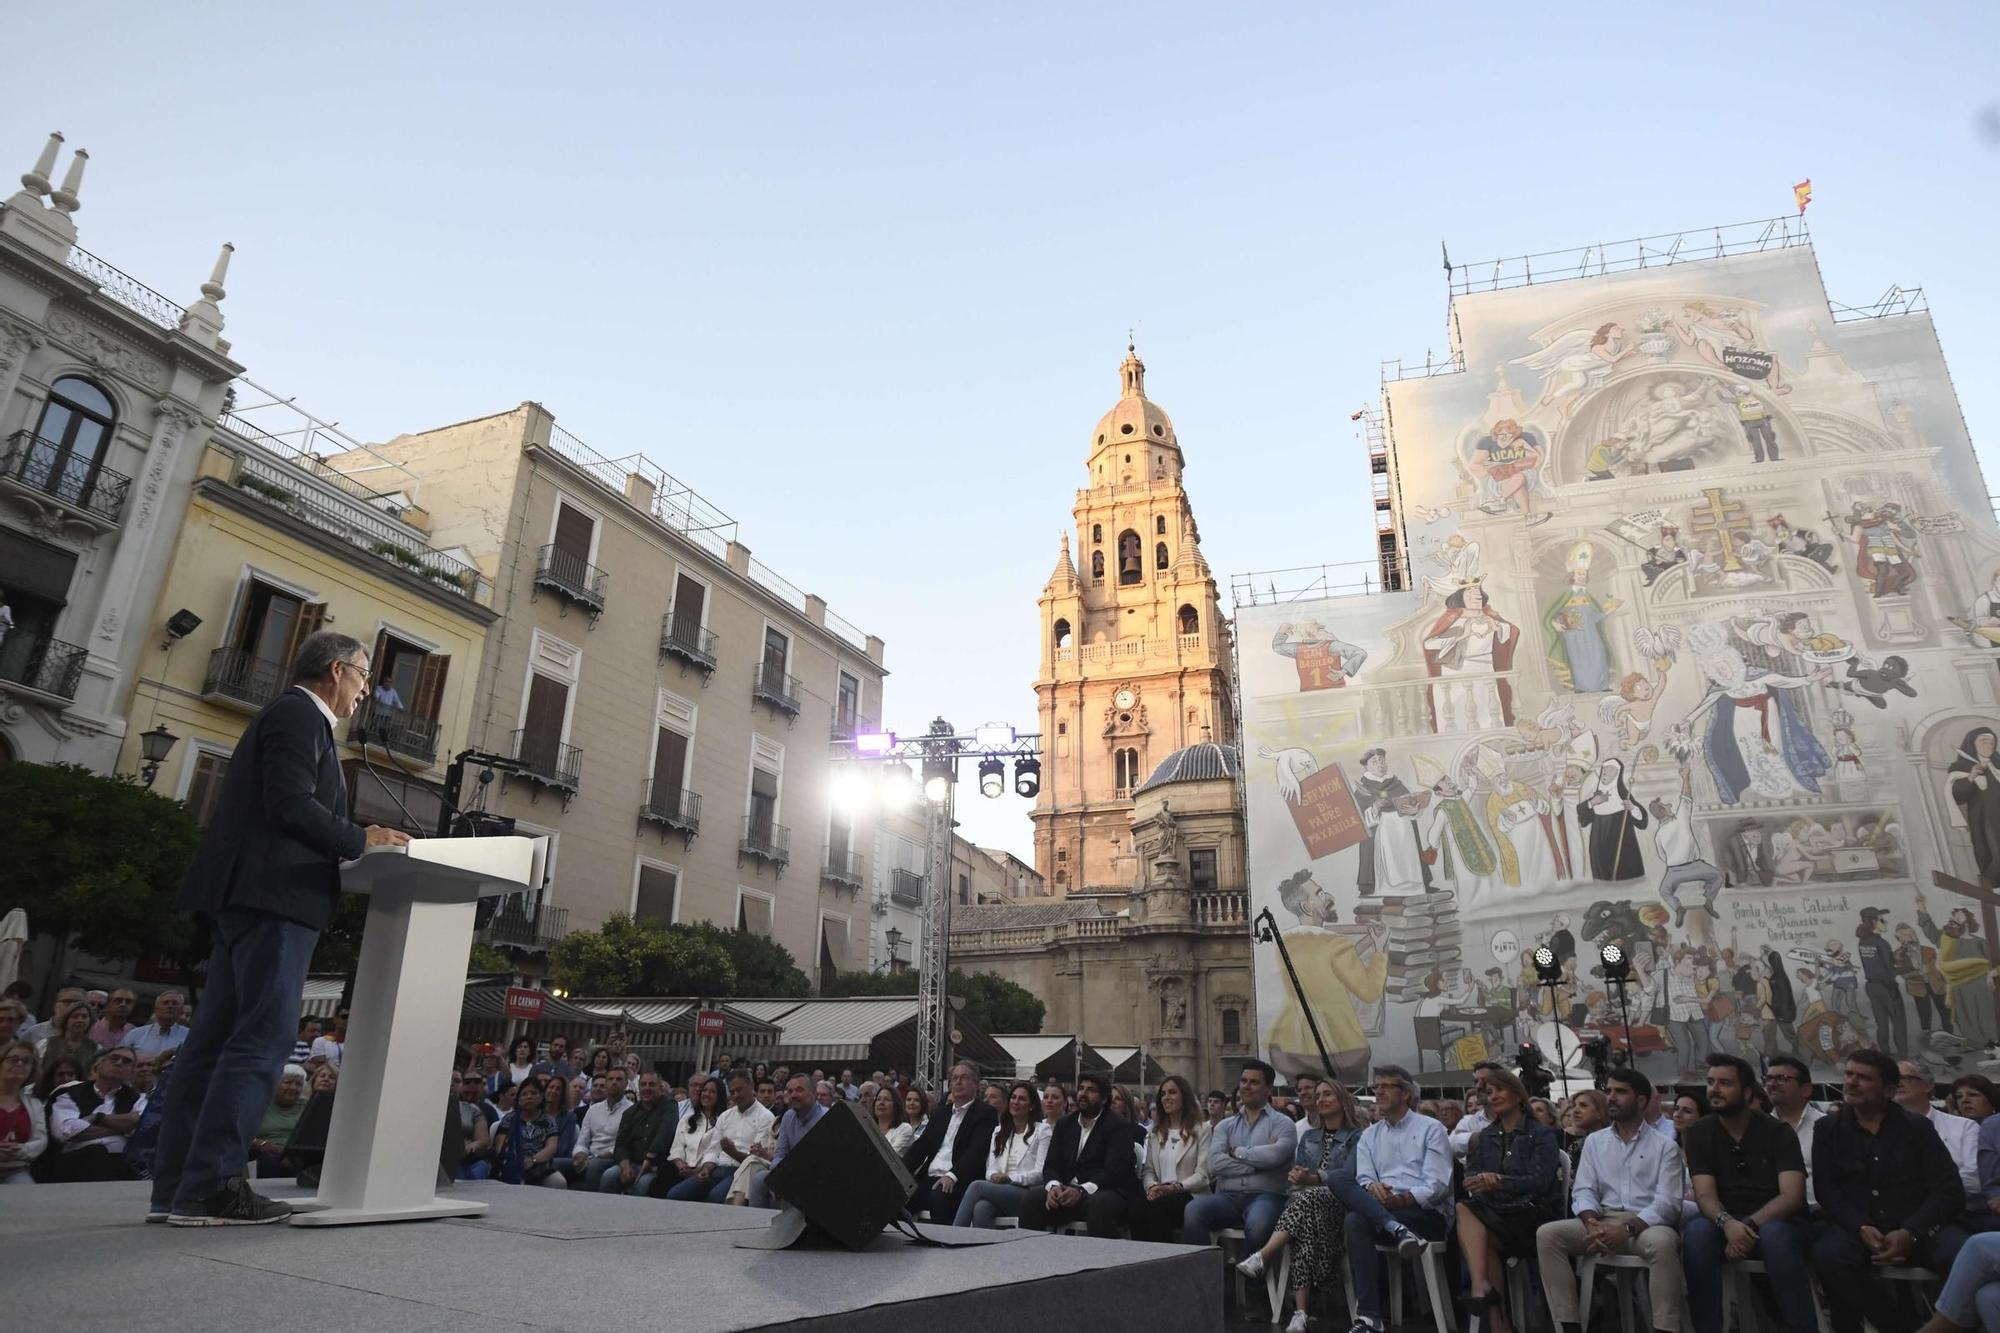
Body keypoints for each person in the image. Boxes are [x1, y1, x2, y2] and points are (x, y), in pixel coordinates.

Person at [152, 631, 408, 1226]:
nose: (367, 690)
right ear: (337, 670)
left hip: (249, 896)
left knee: (212, 1044)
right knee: (260, 1043)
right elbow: (289, 803)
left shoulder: (291, 717)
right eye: (364, 676)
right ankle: (211, 1186)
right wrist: (357, 837)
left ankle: (175, 1189)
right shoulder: (299, 716)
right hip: (275, 898)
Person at [1812, 1050, 1967, 1333]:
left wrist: (1911, 1231)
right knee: (1829, 1254)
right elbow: (1827, 1189)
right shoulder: (1828, 1128)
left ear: (1889, 1090)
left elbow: (1948, 1189)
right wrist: (1859, 1226)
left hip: (1918, 1225)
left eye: (1863, 1078)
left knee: (1961, 1252)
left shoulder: (1917, 1128)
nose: (1851, 1082)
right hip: (1859, 1227)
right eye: (1849, 1074)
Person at [1537, 1068, 1687, 1333]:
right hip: (1601, 1220)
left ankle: (1665, 1327)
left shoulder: (1665, 1146)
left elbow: (1667, 1203)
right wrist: (1592, 1222)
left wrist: (1627, 1230)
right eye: (1608, 1091)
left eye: (1620, 1092)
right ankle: (1568, 1325)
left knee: (1663, 1243)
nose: (1611, 1098)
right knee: (1549, 1235)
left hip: (1646, 1226)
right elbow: (1583, 1191)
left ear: (1641, 1101)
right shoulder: (1594, 1142)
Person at [1683, 1053, 1815, 1333]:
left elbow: (1792, 1196)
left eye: (1725, 1083)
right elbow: (1705, 1195)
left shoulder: (1777, 1131)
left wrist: (1747, 1227)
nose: (1714, 1090)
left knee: (1776, 1236)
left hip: (1777, 1220)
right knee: (1696, 1234)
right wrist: (1728, 1224)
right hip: (1725, 1221)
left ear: (1746, 1092)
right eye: (1710, 1082)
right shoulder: (1699, 1133)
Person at [1236, 1078, 1362, 1333]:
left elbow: (1349, 1177)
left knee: (1308, 1199)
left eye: (1328, 1094)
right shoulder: (1309, 1136)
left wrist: (1313, 1179)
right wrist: (1297, 1176)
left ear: (1342, 1100)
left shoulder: (1358, 1137)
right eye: (1318, 1096)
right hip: (1307, 1205)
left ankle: (1264, 1255)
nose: (1321, 1100)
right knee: (1305, 1221)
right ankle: (1301, 1312)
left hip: (1342, 1204)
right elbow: (1299, 1170)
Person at [1341, 1065, 1453, 1332]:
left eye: (1385, 1086)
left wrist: (1402, 1200)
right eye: (1375, 1086)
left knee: (1357, 1219)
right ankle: (1370, 1317)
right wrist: (1373, 1189)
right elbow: (1364, 1177)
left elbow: (1438, 1184)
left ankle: (1399, 1228)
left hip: (1423, 1215)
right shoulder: (1369, 1134)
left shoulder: (1431, 1128)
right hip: (1384, 1211)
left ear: (1405, 1093)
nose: (1378, 1091)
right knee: (1343, 1192)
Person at [1457, 1066, 1561, 1333]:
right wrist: (1477, 1181)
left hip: (1531, 1215)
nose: (1493, 1096)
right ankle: (1489, 1302)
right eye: (1489, 1092)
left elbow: (1540, 1181)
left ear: (1517, 1094)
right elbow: (1471, 1172)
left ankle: (1489, 1304)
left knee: (1481, 1230)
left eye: (1499, 1090)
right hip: (1497, 1212)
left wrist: (1501, 1181)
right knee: (1467, 1213)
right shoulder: (1487, 1136)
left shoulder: (1541, 1134)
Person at [1182, 1060, 1298, 1253]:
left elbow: (1275, 1157)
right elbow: (1214, 1164)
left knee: (1258, 1224)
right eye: (1243, 1081)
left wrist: (1236, 1152)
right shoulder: (1225, 1126)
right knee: (1194, 1209)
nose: (1246, 1086)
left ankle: (1254, 1280)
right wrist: (1258, 1164)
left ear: (1268, 1087)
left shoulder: (1283, 1124)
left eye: (1254, 1082)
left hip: (1267, 1196)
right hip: (1228, 1197)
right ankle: (1202, 1277)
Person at [1019, 1070, 1142, 1238]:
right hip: (1067, 1191)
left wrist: (1081, 1190)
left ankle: (1103, 1260)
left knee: (1099, 1204)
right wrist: (1054, 1186)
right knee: (1032, 1199)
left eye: (1091, 1090)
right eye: (1081, 1088)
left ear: (1104, 1098)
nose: (1083, 1094)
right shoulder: (1065, 1124)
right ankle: (1029, 1257)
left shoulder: (1118, 1126)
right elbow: (1052, 1164)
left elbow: (1115, 1171)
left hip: (1106, 1190)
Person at [902, 1061, 999, 1221]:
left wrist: (952, 1175)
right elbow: (921, 1147)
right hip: (929, 1177)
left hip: (958, 1179)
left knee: (940, 1195)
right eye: (954, 1078)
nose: (958, 1082)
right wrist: (899, 1172)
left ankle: (941, 1243)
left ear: (975, 1084)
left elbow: (977, 1151)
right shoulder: (940, 1114)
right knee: (897, 1197)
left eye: (964, 1078)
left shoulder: (985, 1113)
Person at [953, 1081, 1051, 1228]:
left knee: (976, 1186)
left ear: (1032, 1106)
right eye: (1013, 1098)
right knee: (981, 1208)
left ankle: (954, 1235)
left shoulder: (1042, 1131)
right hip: (1000, 1190)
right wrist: (993, 1176)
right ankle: (982, 1250)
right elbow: (990, 1168)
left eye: (1022, 1099)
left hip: (1028, 1193)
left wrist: (1009, 1178)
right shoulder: (999, 1131)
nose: (1016, 1102)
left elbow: (1041, 1173)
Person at [1133, 1074, 1212, 1242]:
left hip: (1190, 1194)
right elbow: (1148, 1170)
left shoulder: (1203, 1130)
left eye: (1172, 1093)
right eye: (1163, 1094)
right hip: (1160, 1193)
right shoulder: (1155, 1133)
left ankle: (1164, 1262)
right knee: (1136, 1207)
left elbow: (1203, 1175)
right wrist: (1153, 1187)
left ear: (1185, 1096)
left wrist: (1174, 1188)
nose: (1166, 1098)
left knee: (1159, 1208)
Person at [46, 1046, 143, 1181]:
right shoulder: (70, 1094)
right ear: (99, 1065)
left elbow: (141, 1127)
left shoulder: (137, 1098)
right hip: (77, 1161)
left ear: (131, 1072)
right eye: (114, 1058)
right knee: (97, 1153)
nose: (119, 1063)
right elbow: (65, 1131)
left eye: (126, 1061)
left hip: (123, 1162)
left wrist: (96, 1118)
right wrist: (123, 1128)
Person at [1898, 1059, 1984, 1208]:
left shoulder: (1964, 1127)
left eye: (1906, 1078)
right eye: (1892, 1079)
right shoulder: (1876, 1129)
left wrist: (1924, 1189)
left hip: (1956, 1213)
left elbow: (1975, 1178)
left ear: (1928, 1085)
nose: (1898, 1084)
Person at [756, 1073, 828, 1208]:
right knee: (758, 1180)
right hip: (790, 1171)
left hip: (817, 1177)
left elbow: (822, 1165)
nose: (793, 1095)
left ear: (813, 1093)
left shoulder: (826, 1119)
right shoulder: (788, 1117)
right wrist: (778, 1175)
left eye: (799, 1090)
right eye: (790, 1091)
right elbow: (779, 1155)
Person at [598, 1070, 674, 1196]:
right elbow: (621, 1145)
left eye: (651, 1084)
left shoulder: (669, 1107)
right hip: (632, 1164)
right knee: (608, 1177)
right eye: (643, 1084)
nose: (647, 1088)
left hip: (656, 1167)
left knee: (642, 1185)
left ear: (660, 1088)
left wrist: (650, 1157)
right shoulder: (630, 1113)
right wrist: (625, 1167)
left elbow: (666, 1132)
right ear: (638, 1087)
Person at [1763, 1055, 1825, 1207]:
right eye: (1768, 1078)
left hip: (1821, 1213)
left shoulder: (1825, 1126)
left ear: (1805, 1089)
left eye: (1782, 1078)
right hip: (1772, 1214)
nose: (1772, 1084)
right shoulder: (1759, 1129)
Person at [707, 1069, 772, 1204]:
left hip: (740, 1171)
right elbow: (713, 1149)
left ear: (751, 1087)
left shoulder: (765, 1117)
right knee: (676, 1194)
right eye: (732, 1092)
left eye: (739, 1090)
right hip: (717, 1168)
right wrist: (706, 1168)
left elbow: (756, 1160)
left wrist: (733, 1152)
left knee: (716, 1196)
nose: (735, 1095)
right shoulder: (725, 1116)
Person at [653, 1076, 725, 1200]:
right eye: (704, 1091)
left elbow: (715, 1152)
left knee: (676, 1193)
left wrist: (698, 1170)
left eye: (712, 1092)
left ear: (720, 1096)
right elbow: (677, 1147)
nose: (706, 1094)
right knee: (665, 1170)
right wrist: (680, 1164)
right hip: (683, 1167)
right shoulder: (687, 1119)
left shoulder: (724, 1121)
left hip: (706, 1169)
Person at [493, 1075, 565, 1188]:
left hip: (539, 1167)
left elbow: (551, 1148)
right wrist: (516, 1162)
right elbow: (499, 1146)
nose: (529, 1097)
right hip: (511, 1166)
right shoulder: (509, 1119)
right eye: (524, 1094)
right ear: (519, 1099)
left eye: (533, 1093)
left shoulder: (548, 1120)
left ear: (541, 1097)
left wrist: (533, 1160)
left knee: (558, 1181)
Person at [571, 1066, 630, 1190]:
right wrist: (580, 1153)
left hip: (613, 1158)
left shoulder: (631, 1110)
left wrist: (598, 1157)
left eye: (619, 1079)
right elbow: (582, 1141)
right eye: (611, 1079)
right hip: (589, 1157)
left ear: (626, 1084)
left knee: (594, 1166)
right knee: (557, 1164)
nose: (614, 1082)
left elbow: (626, 1144)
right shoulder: (593, 1110)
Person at [0, 1039, 48, 1186]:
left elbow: (41, 1140)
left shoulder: (35, 1105)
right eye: (13, 1059)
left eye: (26, 1061)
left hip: (17, 1171)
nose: (20, 1064)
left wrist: (19, 1149)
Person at [248, 1065, 309, 1177]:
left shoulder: (307, 1106)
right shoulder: (258, 1104)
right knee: (268, 1160)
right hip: (265, 1152)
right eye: (288, 1082)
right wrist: (262, 1144)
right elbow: (242, 1134)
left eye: (298, 1084)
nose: (293, 1087)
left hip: (297, 1154)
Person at [35, 997, 97, 1074]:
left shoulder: (96, 1049)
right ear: (66, 1020)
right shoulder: (45, 1044)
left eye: (84, 1017)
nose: (80, 1020)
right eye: (75, 1016)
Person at [455, 1070, 498, 1180]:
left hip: (471, 1158)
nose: (472, 1085)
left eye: (477, 1081)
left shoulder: (482, 1110)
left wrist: (474, 1145)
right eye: (467, 1082)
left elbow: (484, 1140)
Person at [126, 991, 190, 1061]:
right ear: (156, 1009)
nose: (170, 1006)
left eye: (175, 1003)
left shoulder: (189, 1036)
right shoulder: (135, 1034)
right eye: (165, 1003)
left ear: (181, 1010)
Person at [871, 1085, 914, 1156]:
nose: (881, 1102)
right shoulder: (869, 1128)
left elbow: (891, 1157)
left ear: (896, 1105)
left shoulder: (904, 1128)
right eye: (878, 1099)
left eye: (887, 1099)